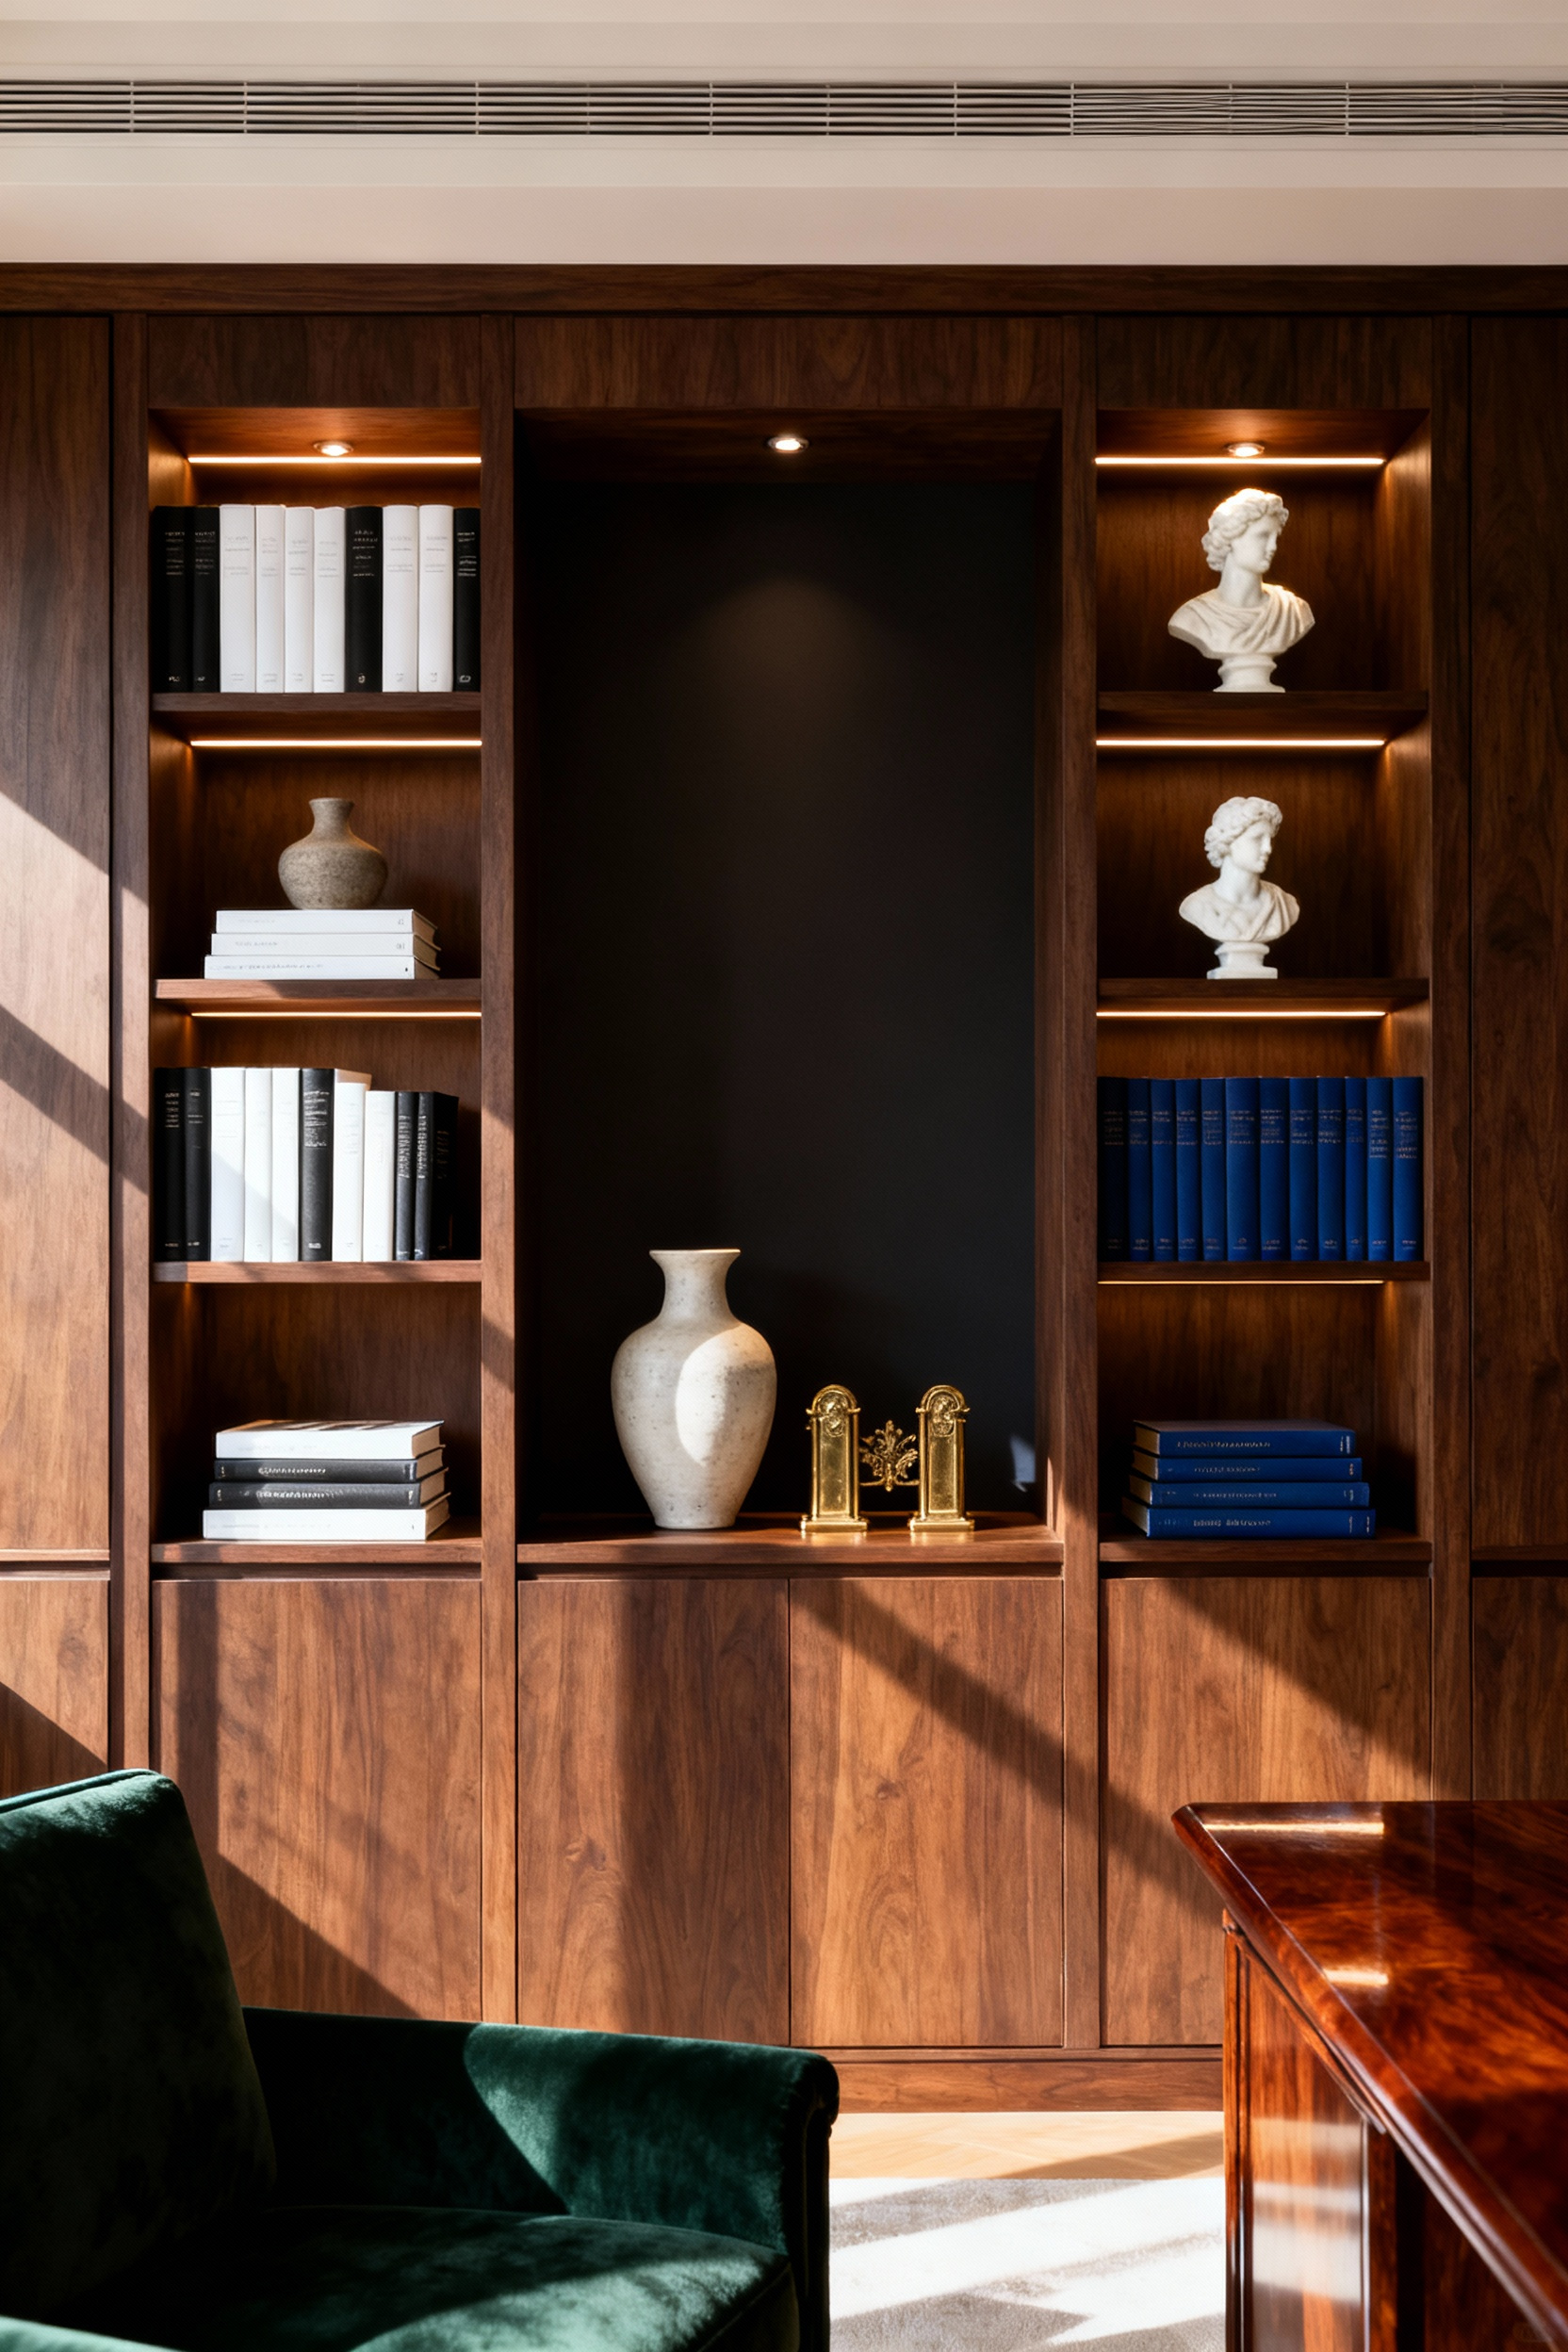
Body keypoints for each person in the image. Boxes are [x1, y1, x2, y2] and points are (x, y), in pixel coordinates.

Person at [1168, 488, 1315, 692]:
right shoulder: (1192, 617)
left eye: (1275, 537)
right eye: (1263, 536)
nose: (1273, 547)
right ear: (1231, 536)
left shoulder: (1293, 611)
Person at [1180, 795, 1299, 954]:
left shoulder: (1284, 904)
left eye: (1269, 840)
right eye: (1257, 839)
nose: (1267, 849)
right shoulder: (1197, 905)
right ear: (1228, 841)